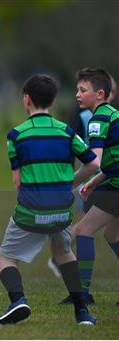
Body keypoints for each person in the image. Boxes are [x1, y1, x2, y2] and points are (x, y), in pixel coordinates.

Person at [0, 74, 98, 325]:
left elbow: (17, 181)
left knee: (6, 258)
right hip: (62, 210)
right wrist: (70, 182)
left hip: (31, 209)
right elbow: (93, 163)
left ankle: (18, 300)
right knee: (64, 252)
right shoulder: (67, 132)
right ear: (51, 101)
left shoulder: (16, 136)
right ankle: (82, 311)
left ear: (26, 99)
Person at [61, 68, 119, 306]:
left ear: (100, 94)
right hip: (113, 181)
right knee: (112, 233)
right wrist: (94, 182)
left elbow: (94, 160)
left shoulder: (99, 119)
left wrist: (69, 183)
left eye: (83, 90)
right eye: (77, 89)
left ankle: (83, 293)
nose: (77, 94)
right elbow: (112, 160)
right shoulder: (112, 113)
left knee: (84, 230)